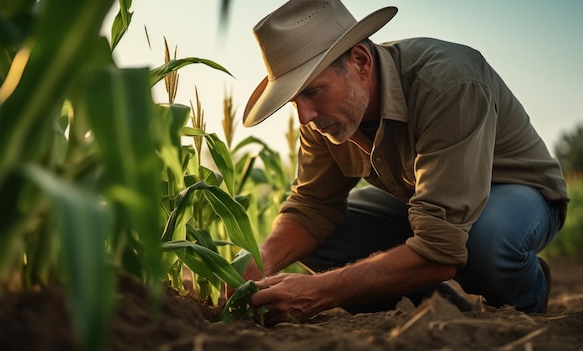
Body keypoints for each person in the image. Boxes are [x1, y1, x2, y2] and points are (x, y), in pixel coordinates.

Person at [239, 0, 569, 325]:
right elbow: (312, 208)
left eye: (312, 92)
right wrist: (262, 259)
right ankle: (438, 310)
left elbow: (441, 249)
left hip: (518, 193)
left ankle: (524, 298)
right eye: (294, 101)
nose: (304, 117)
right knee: (320, 243)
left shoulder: (448, 84)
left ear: (360, 61)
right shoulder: (320, 119)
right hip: (423, 199)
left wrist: (321, 291)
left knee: (487, 241)